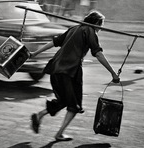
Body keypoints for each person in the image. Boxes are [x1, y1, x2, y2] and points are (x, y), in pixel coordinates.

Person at [29, 10, 120, 141]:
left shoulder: (73, 29)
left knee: (66, 101)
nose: (101, 28)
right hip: (69, 72)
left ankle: (40, 116)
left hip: (56, 69)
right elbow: (98, 54)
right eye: (101, 25)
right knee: (74, 105)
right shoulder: (90, 31)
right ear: (96, 23)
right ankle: (58, 133)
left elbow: (54, 42)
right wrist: (113, 73)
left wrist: (35, 53)